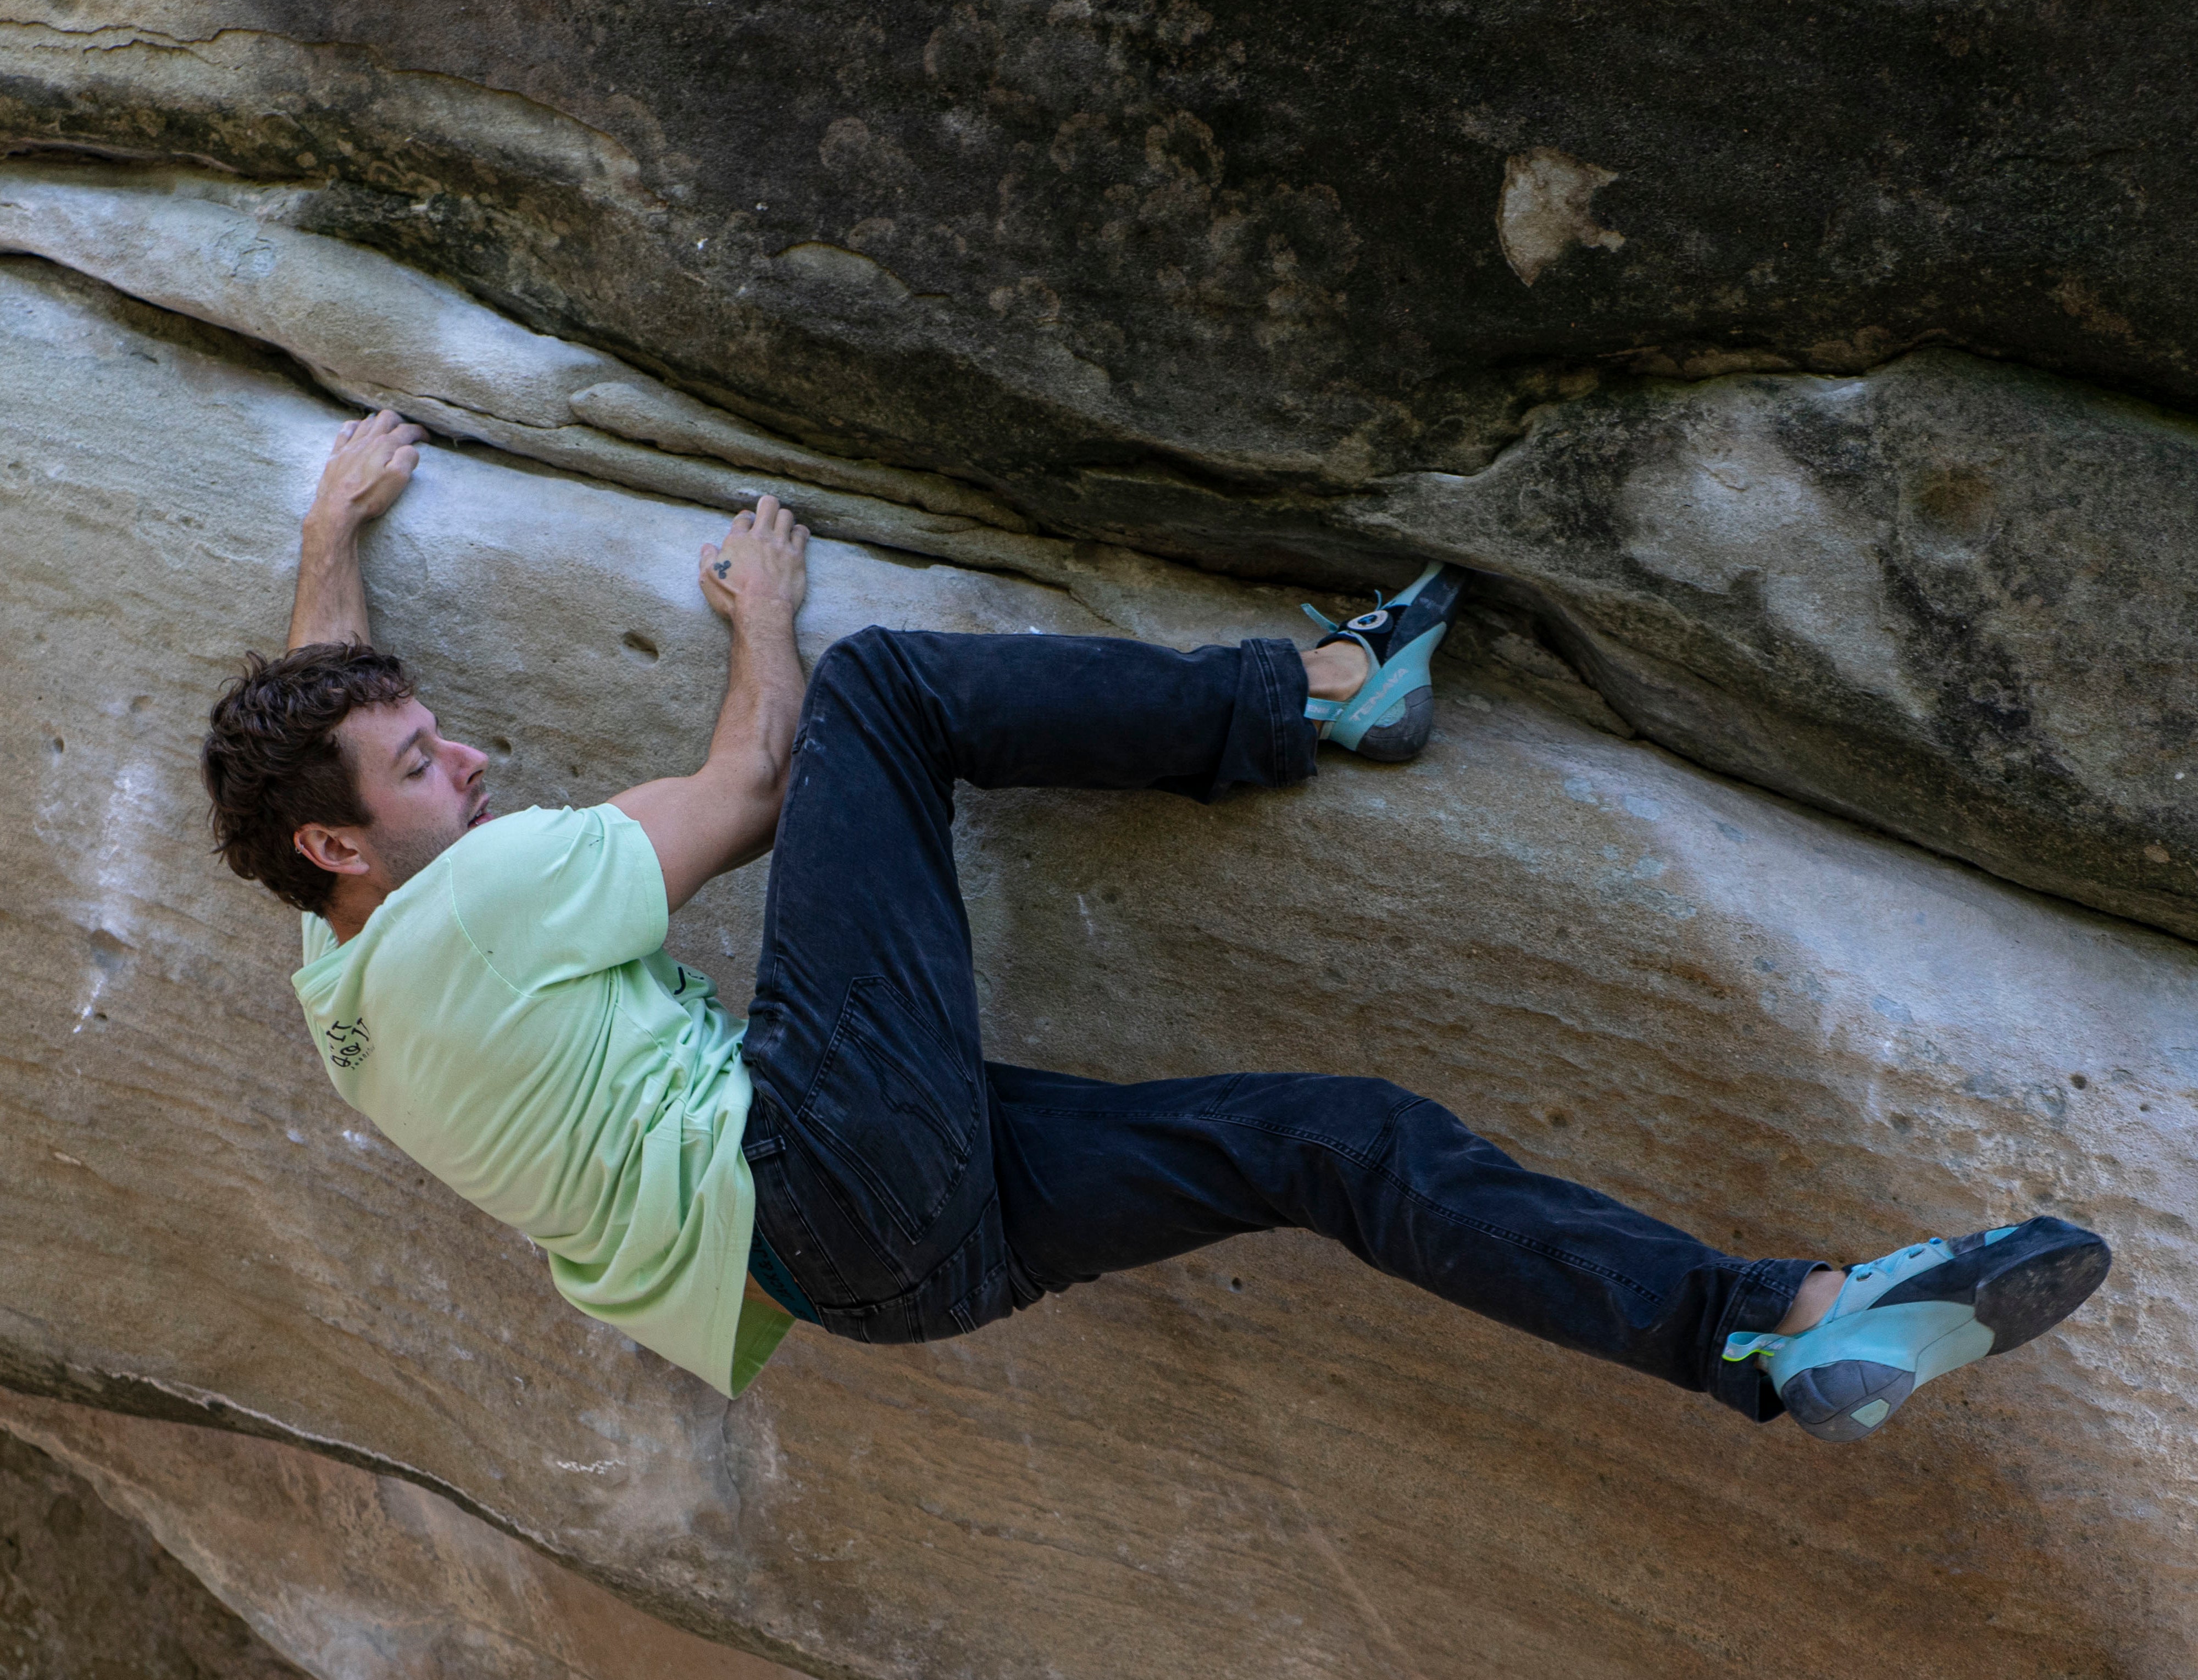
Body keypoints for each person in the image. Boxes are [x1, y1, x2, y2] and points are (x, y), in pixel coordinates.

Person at [200, 410, 2110, 1443]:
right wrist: (763, 617)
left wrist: (330, 534)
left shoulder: (339, 986)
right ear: (344, 840)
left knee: (1335, 1145)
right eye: (426, 762)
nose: (470, 756)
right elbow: (758, 785)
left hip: (876, 1288)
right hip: (816, 1163)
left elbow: (320, 718)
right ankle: (1319, 693)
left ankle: (1773, 1334)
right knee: (880, 696)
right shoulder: (490, 895)